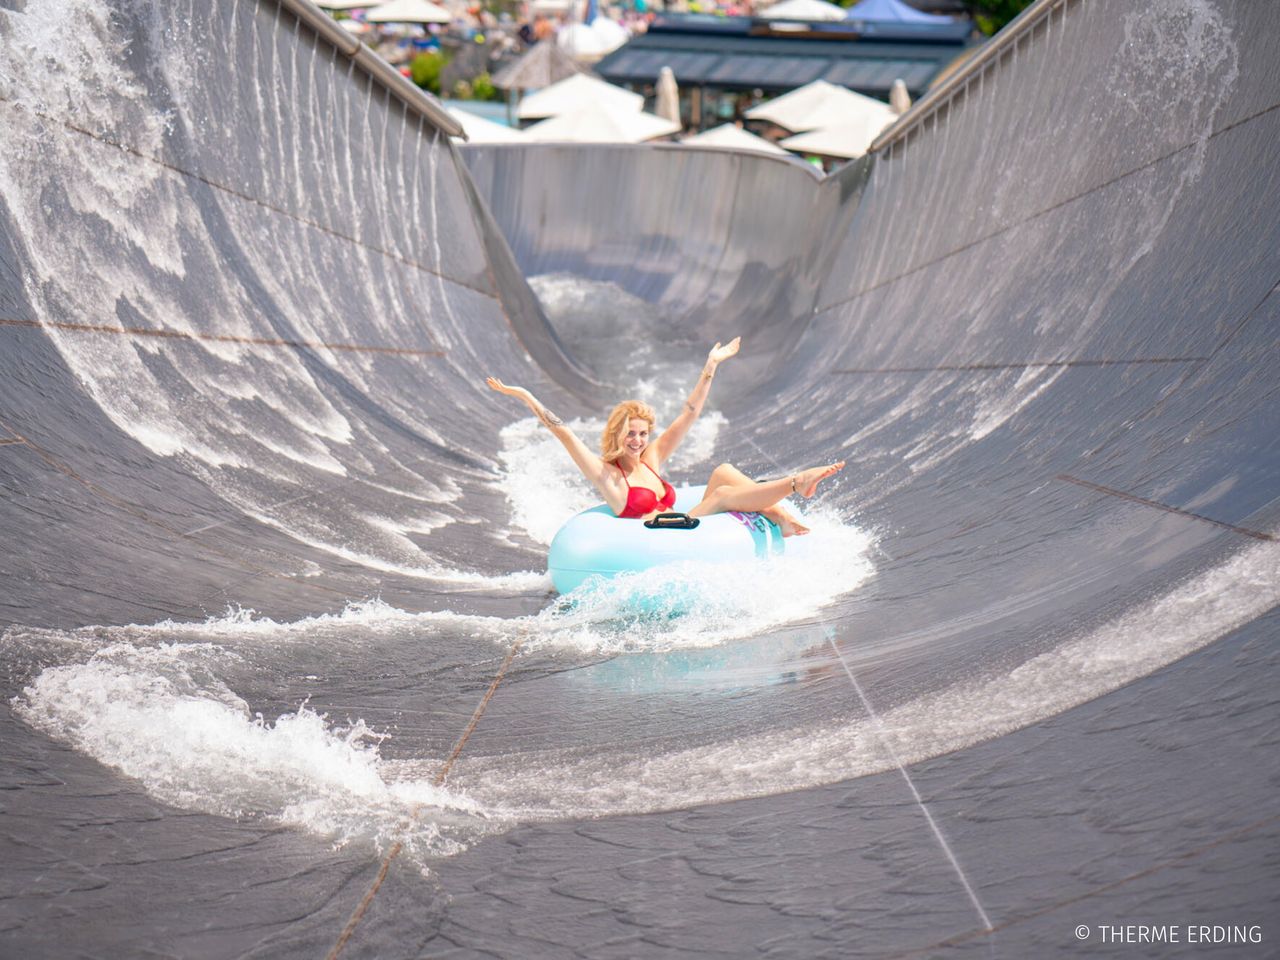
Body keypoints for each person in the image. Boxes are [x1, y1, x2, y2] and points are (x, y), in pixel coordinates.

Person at [485, 337, 843, 537]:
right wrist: (525, 396)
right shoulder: (607, 474)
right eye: (631, 434)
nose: (638, 440)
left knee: (724, 471)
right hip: (660, 537)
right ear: (617, 434)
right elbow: (561, 431)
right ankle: (797, 482)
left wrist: (711, 366)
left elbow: (689, 413)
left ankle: (779, 515)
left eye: (642, 434)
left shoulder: (651, 460)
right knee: (721, 494)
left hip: (686, 526)